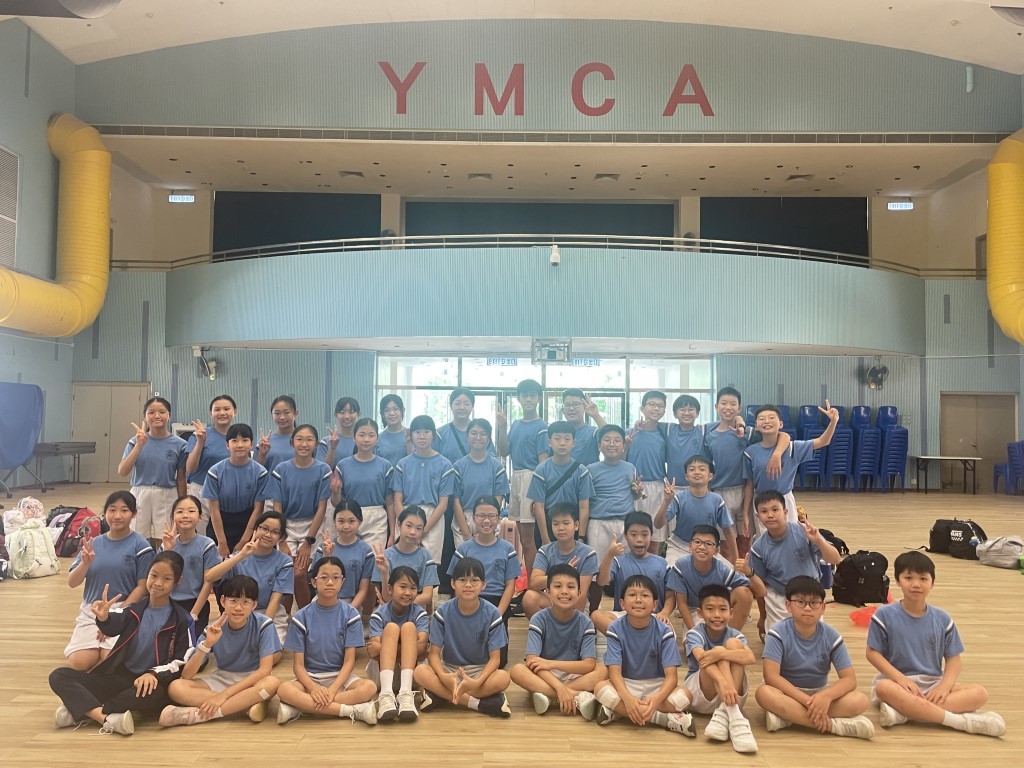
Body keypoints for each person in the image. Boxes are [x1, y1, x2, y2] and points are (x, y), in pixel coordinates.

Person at [49, 551, 195, 736]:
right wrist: (104, 618)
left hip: (152, 684)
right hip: (120, 678)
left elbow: (181, 660)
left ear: (177, 582)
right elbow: (113, 625)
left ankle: (81, 709)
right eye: (154, 575)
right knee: (59, 676)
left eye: (166, 578)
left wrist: (153, 674)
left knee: (150, 695)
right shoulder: (134, 610)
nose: (158, 583)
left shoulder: (182, 619)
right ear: (147, 575)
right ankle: (103, 717)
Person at [865, 551, 1005, 737]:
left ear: (932, 582)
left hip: (932, 684)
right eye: (908, 578)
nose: (916, 584)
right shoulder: (884, 615)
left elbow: (954, 660)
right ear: (898, 580)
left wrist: (944, 686)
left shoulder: (942, 619)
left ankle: (904, 714)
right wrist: (901, 679)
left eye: (923, 578)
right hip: (898, 684)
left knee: (980, 693)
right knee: (883, 688)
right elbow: (872, 653)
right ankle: (959, 722)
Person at [755, 575, 874, 739]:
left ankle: (789, 718)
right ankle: (833, 726)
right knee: (764, 693)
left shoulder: (832, 636)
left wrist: (826, 696)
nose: (807, 608)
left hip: (819, 693)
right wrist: (807, 701)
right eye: (800, 602)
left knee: (860, 700)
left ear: (823, 607)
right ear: (788, 606)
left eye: (814, 603)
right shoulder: (777, 633)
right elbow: (771, 677)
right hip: (787, 693)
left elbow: (849, 679)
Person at [160, 575, 282, 727]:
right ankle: (244, 705)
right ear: (223, 601)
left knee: (272, 683)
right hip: (221, 677)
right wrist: (207, 644)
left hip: (252, 680)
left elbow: (264, 671)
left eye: (246, 602)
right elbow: (187, 675)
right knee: (176, 688)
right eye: (233, 601)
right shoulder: (213, 628)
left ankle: (197, 716)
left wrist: (224, 696)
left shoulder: (264, 625)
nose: (238, 607)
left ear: (254, 605)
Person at [276, 556, 378, 726]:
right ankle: (352, 711)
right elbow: (298, 666)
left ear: (342, 582)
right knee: (284, 689)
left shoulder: (351, 615)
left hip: (340, 677)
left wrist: (332, 690)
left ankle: (300, 708)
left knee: (369, 688)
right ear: (314, 582)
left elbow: (349, 661)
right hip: (310, 677)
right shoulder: (301, 617)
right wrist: (314, 689)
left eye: (335, 577)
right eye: (324, 577)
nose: (330, 582)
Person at [591, 574, 695, 736]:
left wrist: (656, 700)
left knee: (686, 696)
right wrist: (627, 698)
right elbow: (615, 673)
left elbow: (672, 678)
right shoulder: (615, 629)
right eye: (632, 595)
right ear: (622, 603)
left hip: (657, 686)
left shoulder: (665, 631)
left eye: (645, 595)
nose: (638, 600)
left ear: (654, 605)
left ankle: (619, 712)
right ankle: (663, 719)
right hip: (627, 684)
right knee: (600, 688)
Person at [64, 490, 154, 671]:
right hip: (93, 609)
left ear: (133, 514)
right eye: (112, 510)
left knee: (109, 659)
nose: (117, 516)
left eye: (124, 510)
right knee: (80, 663)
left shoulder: (141, 546)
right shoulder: (93, 544)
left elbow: (142, 587)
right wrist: (85, 563)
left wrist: (115, 617)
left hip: (122, 609)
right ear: (105, 513)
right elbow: (72, 582)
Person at [414, 556, 512, 717]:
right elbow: (434, 654)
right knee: (420, 671)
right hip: (450, 669)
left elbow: (495, 659)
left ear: (483, 585)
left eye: (474, 580)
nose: (468, 585)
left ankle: (442, 696)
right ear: (453, 583)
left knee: (503, 678)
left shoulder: (493, 613)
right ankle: (479, 704)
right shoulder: (442, 612)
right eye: (462, 580)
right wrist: (443, 676)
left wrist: (477, 682)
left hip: (479, 670)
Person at [738, 490, 841, 637]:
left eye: (775, 509)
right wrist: (763, 617)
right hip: (779, 599)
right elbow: (761, 588)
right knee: (779, 641)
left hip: (810, 594)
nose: (770, 515)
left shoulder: (804, 533)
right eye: (764, 511)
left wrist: (818, 540)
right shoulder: (758, 547)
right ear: (758, 517)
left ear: (786, 512)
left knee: (812, 641)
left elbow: (836, 559)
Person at [510, 564, 606, 717]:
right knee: (517, 671)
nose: (564, 591)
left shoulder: (585, 622)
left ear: (579, 593)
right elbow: (532, 661)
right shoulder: (539, 619)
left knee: (603, 669)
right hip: (545, 675)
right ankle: (574, 695)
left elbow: (588, 664)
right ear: (548, 592)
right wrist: (560, 688)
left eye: (571, 587)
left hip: (573, 673)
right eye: (557, 586)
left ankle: (548, 696)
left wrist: (551, 663)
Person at [702, 387, 788, 555]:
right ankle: (729, 570)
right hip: (720, 492)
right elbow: (707, 465)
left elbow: (783, 436)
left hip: (745, 491)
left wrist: (777, 453)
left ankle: (745, 570)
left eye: (733, 404)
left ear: (739, 408)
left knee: (745, 539)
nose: (728, 407)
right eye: (724, 403)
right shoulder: (709, 435)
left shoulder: (748, 432)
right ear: (716, 406)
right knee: (726, 542)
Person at [682, 585, 758, 753]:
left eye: (722, 609)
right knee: (719, 653)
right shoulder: (694, 633)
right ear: (700, 613)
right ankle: (736, 718)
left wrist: (721, 653)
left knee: (731, 646)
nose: (717, 615)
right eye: (710, 609)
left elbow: (751, 658)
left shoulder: (735, 634)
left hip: (730, 693)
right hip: (702, 695)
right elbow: (702, 659)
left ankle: (726, 712)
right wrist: (723, 682)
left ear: (731, 613)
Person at [446, 496, 520, 667]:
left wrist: (497, 614)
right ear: (473, 518)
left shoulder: (507, 549)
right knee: (465, 658)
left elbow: (510, 585)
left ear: (498, 518)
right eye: (481, 516)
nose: (486, 521)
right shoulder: (464, 549)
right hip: (468, 601)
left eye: (492, 516)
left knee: (499, 662)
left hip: (497, 604)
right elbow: (455, 583)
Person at [743, 401, 839, 531]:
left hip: (785, 500)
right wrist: (745, 513)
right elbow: (749, 484)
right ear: (756, 426)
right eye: (761, 419)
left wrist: (833, 421)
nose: (767, 421)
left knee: (790, 537)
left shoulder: (793, 448)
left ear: (781, 424)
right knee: (765, 539)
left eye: (771, 417)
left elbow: (823, 441)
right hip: (761, 501)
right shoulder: (750, 452)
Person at [203, 511, 294, 645]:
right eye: (264, 528)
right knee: (214, 643)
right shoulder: (239, 556)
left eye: (275, 532)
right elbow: (210, 576)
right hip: (238, 612)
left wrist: (262, 628)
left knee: (270, 648)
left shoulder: (285, 562)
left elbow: (275, 600)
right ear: (255, 530)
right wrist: (241, 555)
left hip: (270, 613)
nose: (268, 535)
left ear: (281, 538)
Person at [268, 424, 332, 609]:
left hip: (312, 525)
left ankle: (304, 616)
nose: (304, 444)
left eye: (309, 439)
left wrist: (308, 541)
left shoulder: (323, 470)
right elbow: (277, 506)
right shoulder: (281, 469)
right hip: (285, 526)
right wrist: (281, 539)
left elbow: (322, 508)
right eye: (300, 439)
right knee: (286, 573)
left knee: (300, 574)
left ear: (316, 444)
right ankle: (284, 618)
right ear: (292, 443)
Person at [117, 396, 187, 546]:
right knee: (137, 535)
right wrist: (139, 445)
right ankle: (141, 559)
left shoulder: (180, 444)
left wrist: (182, 503)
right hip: (140, 492)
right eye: (151, 412)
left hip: (167, 493)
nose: (157, 416)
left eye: (162, 412)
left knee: (166, 535)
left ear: (169, 415)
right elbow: (122, 471)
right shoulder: (134, 441)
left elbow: (181, 477)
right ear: (145, 416)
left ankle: (164, 560)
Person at [495, 378, 549, 572]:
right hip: (516, 478)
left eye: (532, 396)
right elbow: (504, 451)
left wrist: (538, 494)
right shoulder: (516, 424)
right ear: (518, 399)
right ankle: (531, 580)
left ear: (539, 399)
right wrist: (502, 427)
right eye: (524, 396)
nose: (528, 399)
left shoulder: (542, 427)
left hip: (531, 479)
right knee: (523, 540)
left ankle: (534, 583)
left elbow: (543, 463)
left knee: (528, 540)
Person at [584, 424, 637, 613]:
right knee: (596, 571)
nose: (612, 444)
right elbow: (585, 500)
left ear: (624, 446)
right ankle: (593, 612)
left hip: (624, 523)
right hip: (598, 524)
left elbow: (634, 495)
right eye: (607, 440)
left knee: (626, 569)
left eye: (616, 440)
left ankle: (627, 610)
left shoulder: (630, 467)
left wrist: (639, 492)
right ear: (599, 445)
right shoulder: (590, 469)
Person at [592, 511, 671, 635]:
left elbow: (670, 596)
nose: (639, 540)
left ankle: (625, 639)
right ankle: (628, 638)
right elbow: (601, 581)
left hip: (653, 617)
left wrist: (664, 613)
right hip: (624, 617)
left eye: (644, 534)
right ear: (625, 535)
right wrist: (609, 554)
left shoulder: (662, 564)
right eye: (633, 534)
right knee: (596, 616)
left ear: (651, 535)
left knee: (668, 631)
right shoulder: (618, 561)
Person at [368, 565, 430, 721]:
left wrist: (388, 649)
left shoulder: (420, 614)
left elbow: (422, 647)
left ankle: (405, 694)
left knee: (409, 627)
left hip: (412, 678)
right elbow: (373, 651)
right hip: (381, 677)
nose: (408, 592)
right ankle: (385, 696)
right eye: (403, 587)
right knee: (391, 628)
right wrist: (408, 648)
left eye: (413, 588)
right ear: (389, 589)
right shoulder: (378, 614)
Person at [667, 525, 757, 631]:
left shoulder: (723, 569)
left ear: (716, 550)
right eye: (697, 542)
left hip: (717, 608)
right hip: (694, 610)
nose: (702, 547)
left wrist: (749, 572)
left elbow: (756, 591)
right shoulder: (681, 566)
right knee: (696, 640)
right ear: (690, 546)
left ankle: (730, 635)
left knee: (744, 593)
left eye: (708, 544)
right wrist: (693, 632)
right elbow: (682, 603)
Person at [392, 415, 456, 564]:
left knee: (429, 565)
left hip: (433, 518)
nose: (422, 436)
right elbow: (397, 500)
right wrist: (405, 524)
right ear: (411, 436)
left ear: (433, 434)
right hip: (406, 514)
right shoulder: (402, 464)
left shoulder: (445, 465)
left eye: (426, 432)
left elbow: (443, 504)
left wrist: (423, 529)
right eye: (417, 432)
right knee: (402, 564)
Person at [201, 423, 271, 558]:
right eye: (234, 441)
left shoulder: (260, 473)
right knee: (219, 564)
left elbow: (258, 510)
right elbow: (214, 509)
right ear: (227, 445)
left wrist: (244, 541)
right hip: (220, 523)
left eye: (245, 440)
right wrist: (221, 542)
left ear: (251, 444)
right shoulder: (215, 472)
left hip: (248, 523)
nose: (240, 445)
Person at [654, 456, 737, 564]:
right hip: (679, 546)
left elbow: (728, 532)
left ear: (710, 476)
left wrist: (736, 561)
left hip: (706, 547)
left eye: (702, 469)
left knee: (729, 572)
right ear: (686, 476)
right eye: (692, 469)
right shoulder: (678, 497)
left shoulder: (717, 500)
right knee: (671, 571)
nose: (697, 472)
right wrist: (666, 501)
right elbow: (658, 524)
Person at [527, 420, 594, 551]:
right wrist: (545, 538)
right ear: (549, 442)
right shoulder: (541, 470)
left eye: (567, 439)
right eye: (557, 438)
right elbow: (539, 507)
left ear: (573, 443)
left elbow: (584, 507)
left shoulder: (581, 471)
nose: (562, 443)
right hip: (549, 522)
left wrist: (581, 536)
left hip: (572, 523)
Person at [522, 502, 598, 618]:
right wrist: (563, 572)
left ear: (576, 525)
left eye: (566, 523)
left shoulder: (588, 553)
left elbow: (581, 593)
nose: (561, 528)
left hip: (575, 604)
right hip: (552, 601)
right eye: (556, 524)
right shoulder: (545, 551)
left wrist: (576, 621)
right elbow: (533, 583)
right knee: (529, 597)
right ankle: (547, 628)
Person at [330, 417, 394, 551]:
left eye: (371, 435)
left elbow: (390, 502)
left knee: (374, 558)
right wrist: (335, 492)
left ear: (377, 439)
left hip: (377, 519)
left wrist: (393, 533)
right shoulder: (342, 465)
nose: (366, 439)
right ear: (354, 438)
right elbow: (337, 503)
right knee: (349, 557)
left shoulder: (386, 466)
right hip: (349, 516)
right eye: (362, 435)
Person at [161, 494, 221, 635]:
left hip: (196, 603)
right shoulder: (166, 544)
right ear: (173, 517)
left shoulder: (207, 545)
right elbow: (160, 578)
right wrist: (168, 549)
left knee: (192, 646)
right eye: (180, 511)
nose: (185, 515)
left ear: (200, 517)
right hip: (168, 603)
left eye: (191, 511)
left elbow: (208, 582)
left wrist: (193, 614)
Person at [451, 417, 509, 551]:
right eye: (474, 433)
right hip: (464, 519)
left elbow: (498, 500)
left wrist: (487, 522)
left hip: (489, 518)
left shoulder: (497, 467)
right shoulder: (458, 467)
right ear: (467, 436)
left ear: (489, 438)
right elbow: (456, 502)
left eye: (483, 434)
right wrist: (466, 533)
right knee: (465, 561)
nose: (478, 437)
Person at [184, 394, 237, 536]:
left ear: (235, 411)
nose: (222, 413)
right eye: (217, 409)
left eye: (226, 409)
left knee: (225, 535)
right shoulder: (200, 435)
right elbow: (190, 468)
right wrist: (200, 442)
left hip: (228, 493)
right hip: (201, 491)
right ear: (211, 413)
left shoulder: (239, 437)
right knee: (200, 535)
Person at [373, 505, 440, 614]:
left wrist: (398, 603)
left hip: (416, 613)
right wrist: (385, 572)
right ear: (399, 525)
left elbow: (427, 596)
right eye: (409, 526)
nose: (413, 532)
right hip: (390, 614)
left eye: (419, 528)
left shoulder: (425, 556)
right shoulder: (385, 556)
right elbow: (385, 597)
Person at [624, 390, 669, 551]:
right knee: (632, 535)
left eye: (660, 406)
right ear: (642, 408)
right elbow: (620, 459)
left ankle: (653, 566)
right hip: (634, 488)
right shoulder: (630, 433)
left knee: (654, 538)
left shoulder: (664, 434)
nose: (656, 409)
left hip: (657, 487)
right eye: (652, 404)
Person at [313, 500, 375, 612]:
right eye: (341, 521)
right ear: (334, 521)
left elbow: (363, 589)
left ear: (360, 521)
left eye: (351, 521)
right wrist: (327, 555)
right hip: (323, 600)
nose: (346, 526)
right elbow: (318, 581)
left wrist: (349, 611)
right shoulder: (324, 547)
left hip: (351, 604)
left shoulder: (366, 551)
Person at [666, 394, 705, 484]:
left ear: (697, 413)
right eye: (682, 410)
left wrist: (737, 419)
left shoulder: (703, 431)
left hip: (697, 485)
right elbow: (651, 424)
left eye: (691, 409)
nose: (686, 413)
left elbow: (723, 423)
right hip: (673, 486)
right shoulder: (668, 429)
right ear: (675, 414)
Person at [560, 389, 606, 465]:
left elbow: (609, 434)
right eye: (567, 405)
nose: (571, 408)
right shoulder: (557, 433)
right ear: (562, 409)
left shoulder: (593, 433)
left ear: (584, 407)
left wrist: (596, 416)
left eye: (576, 404)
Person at [256, 395, 299, 471]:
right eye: (277, 413)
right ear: (272, 415)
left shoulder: (305, 440)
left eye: (286, 412)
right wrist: (262, 455)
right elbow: (255, 471)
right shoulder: (265, 443)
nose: (282, 417)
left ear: (295, 413)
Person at [317, 396, 361, 468]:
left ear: (358, 414)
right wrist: (332, 448)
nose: (347, 416)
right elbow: (321, 470)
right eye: (342, 412)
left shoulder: (364, 441)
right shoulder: (326, 442)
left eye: (351, 412)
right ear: (335, 415)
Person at [376, 394, 411, 467]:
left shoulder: (410, 435)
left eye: (395, 409)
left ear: (403, 411)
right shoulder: (377, 438)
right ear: (382, 414)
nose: (391, 413)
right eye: (387, 410)